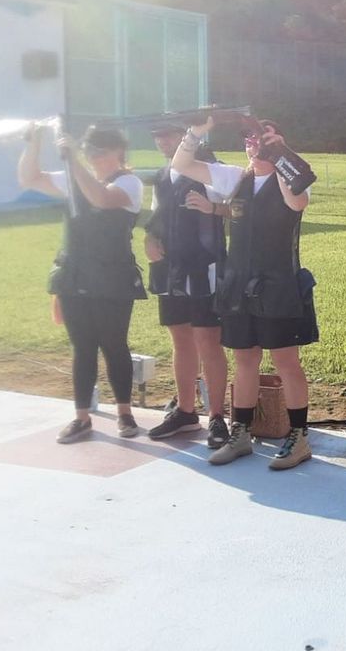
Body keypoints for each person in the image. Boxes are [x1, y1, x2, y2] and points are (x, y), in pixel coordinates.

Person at [171, 116, 318, 470]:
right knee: (245, 360)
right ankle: (241, 433)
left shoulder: (290, 175)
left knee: (286, 362)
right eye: (248, 137)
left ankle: (299, 437)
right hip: (239, 284)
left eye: (260, 137)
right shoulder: (236, 177)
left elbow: (296, 201)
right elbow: (182, 165)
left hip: (277, 283)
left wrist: (279, 151)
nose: (252, 142)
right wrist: (196, 132)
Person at [18, 125, 147, 443]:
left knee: (114, 344)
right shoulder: (74, 173)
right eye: (89, 151)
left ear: (118, 152)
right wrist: (33, 142)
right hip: (75, 275)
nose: (93, 157)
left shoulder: (129, 182)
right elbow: (29, 178)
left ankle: (124, 413)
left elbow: (102, 199)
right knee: (83, 347)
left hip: (113, 277)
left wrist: (72, 159)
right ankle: (82, 418)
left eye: (99, 151)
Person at [143, 122, 230, 448]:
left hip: (204, 268)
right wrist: (150, 239)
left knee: (208, 341)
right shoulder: (162, 175)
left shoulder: (214, 169)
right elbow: (156, 217)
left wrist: (214, 209)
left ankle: (218, 416)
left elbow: (237, 211)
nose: (162, 139)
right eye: (158, 135)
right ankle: (186, 410)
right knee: (180, 339)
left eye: (168, 133)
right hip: (171, 269)